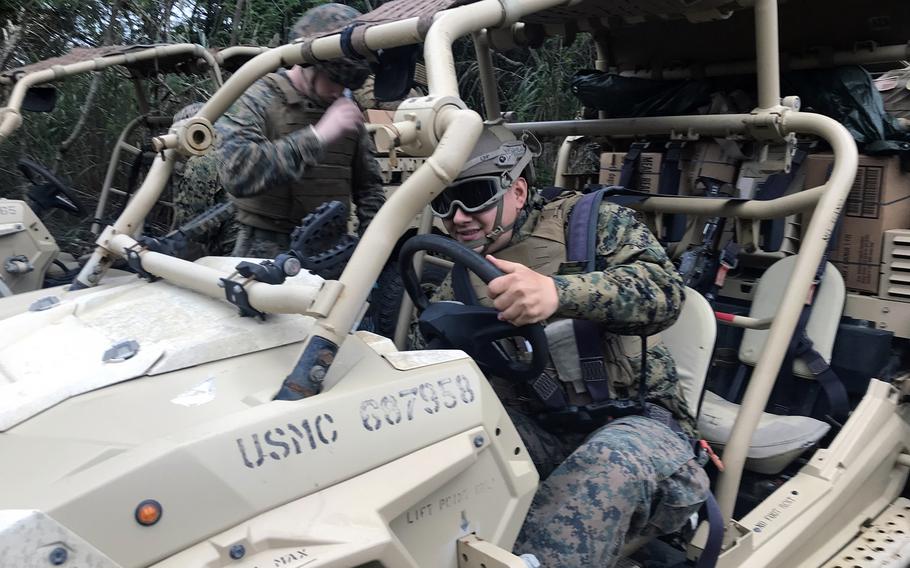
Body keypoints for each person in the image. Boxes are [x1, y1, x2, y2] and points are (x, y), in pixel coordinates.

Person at [412, 125, 710, 567]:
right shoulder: (459, 273)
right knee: (432, 447)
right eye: (444, 202)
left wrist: (559, 293)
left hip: (639, 424)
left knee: (600, 473)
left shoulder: (590, 226)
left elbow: (665, 292)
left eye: (474, 195)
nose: (457, 216)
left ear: (517, 189)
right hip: (540, 428)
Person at [215, 3, 385, 258]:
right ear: (308, 62)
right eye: (335, 80)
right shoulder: (259, 95)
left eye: (349, 83)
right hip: (264, 252)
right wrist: (318, 136)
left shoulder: (345, 108)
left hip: (329, 253)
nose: (340, 91)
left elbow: (369, 188)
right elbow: (236, 173)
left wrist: (371, 253)